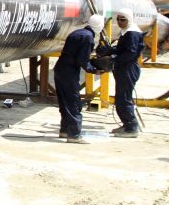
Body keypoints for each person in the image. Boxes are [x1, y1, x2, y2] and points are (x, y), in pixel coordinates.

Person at [54, 14, 104, 143]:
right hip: (69, 72)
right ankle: (74, 135)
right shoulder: (88, 38)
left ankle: (64, 130)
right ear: (99, 27)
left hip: (60, 68)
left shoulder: (78, 32)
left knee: (64, 101)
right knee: (73, 103)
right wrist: (95, 70)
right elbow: (82, 59)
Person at [109, 8, 144, 136]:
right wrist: (111, 50)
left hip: (128, 68)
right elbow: (123, 49)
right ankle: (126, 124)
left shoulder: (132, 33)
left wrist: (114, 59)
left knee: (124, 98)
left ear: (129, 20)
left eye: (122, 20)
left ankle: (131, 127)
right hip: (124, 67)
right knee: (121, 97)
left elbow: (130, 53)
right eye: (118, 19)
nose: (119, 22)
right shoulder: (126, 32)